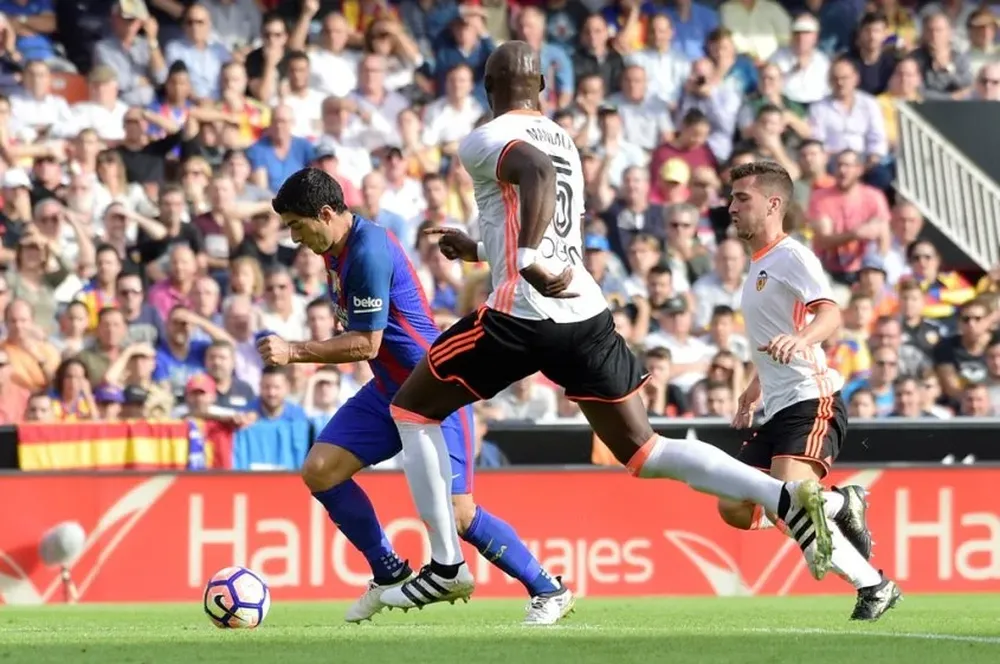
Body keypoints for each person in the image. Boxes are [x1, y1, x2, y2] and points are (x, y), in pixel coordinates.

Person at [378, 41, 846, 612]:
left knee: (412, 409)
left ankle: (447, 565)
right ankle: (785, 497)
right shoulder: (566, 140)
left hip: (522, 312)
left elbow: (533, 174)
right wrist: (481, 247)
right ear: (544, 88)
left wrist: (522, 259)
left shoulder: (485, 138)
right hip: (583, 311)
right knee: (646, 451)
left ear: (486, 85)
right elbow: (547, 211)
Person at [260, 167, 571, 625]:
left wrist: (293, 351)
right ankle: (387, 572)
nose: (294, 238)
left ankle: (549, 590)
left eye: (296, 225)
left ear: (325, 214)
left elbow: (366, 343)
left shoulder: (367, 252)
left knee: (460, 515)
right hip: (389, 390)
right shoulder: (338, 248)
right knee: (321, 470)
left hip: (433, 389)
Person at [724, 160, 901, 620]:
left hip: (812, 399)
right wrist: (753, 388)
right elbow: (776, 336)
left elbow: (830, 314)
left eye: (743, 198)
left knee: (790, 498)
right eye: (732, 198)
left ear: (773, 203)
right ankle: (842, 502)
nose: (731, 207)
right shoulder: (759, 266)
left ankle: (873, 584)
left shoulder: (792, 255)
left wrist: (802, 340)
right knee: (734, 506)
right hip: (777, 407)